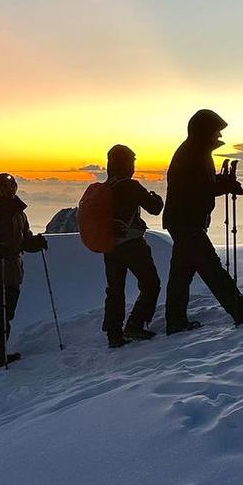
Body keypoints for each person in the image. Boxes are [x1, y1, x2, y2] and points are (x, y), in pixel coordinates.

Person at [162, 110, 243, 333]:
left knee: (181, 273)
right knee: (212, 270)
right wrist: (225, 186)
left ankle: (175, 321)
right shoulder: (193, 153)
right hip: (187, 222)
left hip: (183, 221)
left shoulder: (195, 151)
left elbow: (202, 182)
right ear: (205, 132)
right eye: (216, 131)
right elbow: (198, 188)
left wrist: (223, 182)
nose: (219, 135)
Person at [0, 173, 47, 371]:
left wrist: (35, 243)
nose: (11, 189)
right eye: (6, 186)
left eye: (13, 186)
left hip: (12, 272)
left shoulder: (19, 213)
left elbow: (23, 240)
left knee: (6, 315)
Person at [100, 144, 164, 348]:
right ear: (127, 163)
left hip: (110, 246)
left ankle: (114, 334)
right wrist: (156, 197)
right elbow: (154, 208)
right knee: (150, 283)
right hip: (132, 244)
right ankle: (135, 324)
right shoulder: (130, 186)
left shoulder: (105, 187)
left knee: (115, 289)